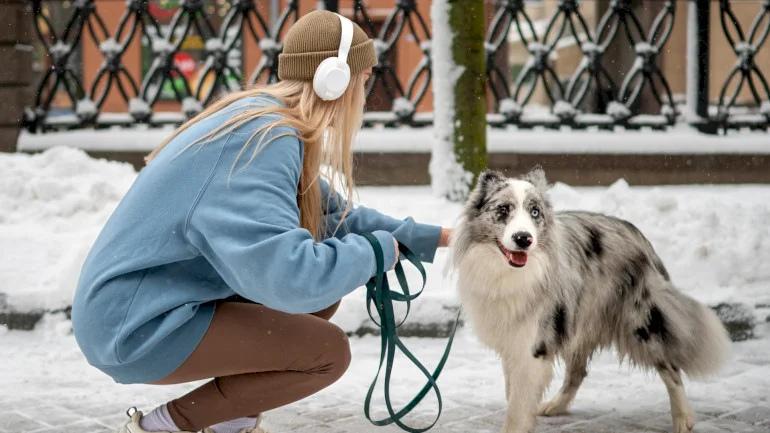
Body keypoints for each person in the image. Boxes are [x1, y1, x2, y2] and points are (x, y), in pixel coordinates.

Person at [70, 10, 452, 433]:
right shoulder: (263, 140)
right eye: (365, 81)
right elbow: (289, 276)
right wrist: (374, 253)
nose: (366, 95)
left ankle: (228, 422)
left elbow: (335, 219)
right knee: (327, 353)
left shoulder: (270, 121)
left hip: (148, 307)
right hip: (133, 326)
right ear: (335, 80)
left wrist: (446, 238)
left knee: (322, 301)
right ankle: (162, 427)